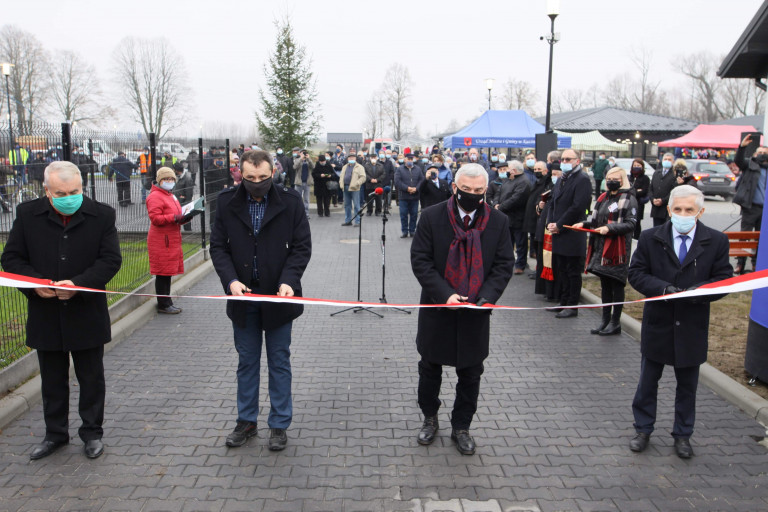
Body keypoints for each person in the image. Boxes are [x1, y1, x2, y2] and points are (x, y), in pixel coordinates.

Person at [1, 161, 121, 460]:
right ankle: (55, 434)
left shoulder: (101, 214)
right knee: (52, 379)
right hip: (45, 312)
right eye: (61, 193)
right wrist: (34, 284)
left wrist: (79, 284)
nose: (69, 197)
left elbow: (110, 260)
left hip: (86, 311)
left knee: (91, 378)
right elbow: (12, 259)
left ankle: (92, 433)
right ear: (46, 191)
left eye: (74, 191)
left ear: (82, 187)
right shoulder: (28, 215)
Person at [210, 149, 311, 451]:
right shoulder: (227, 202)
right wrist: (231, 281)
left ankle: (279, 424)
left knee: (279, 362)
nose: (256, 183)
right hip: (243, 298)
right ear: (240, 173)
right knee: (247, 362)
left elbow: (302, 247)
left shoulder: (290, 202)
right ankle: (247, 421)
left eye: (262, 178)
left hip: (279, 298)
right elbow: (218, 247)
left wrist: (289, 281)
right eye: (250, 178)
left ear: (273, 173)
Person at [410, 163, 514, 455]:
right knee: (430, 368)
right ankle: (429, 418)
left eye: (478, 191)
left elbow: (504, 264)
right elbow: (420, 260)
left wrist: (487, 298)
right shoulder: (431, 217)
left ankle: (461, 426)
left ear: (486, 190)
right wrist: (445, 294)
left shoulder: (498, 221)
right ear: (454, 188)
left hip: (475, 311)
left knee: (471, 373)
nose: (471, 195)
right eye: (466, 190)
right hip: (438, 308)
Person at [627, 185, 732, 459]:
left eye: (689, 210)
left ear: (700, 211)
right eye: (677, 209)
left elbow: (723, 279)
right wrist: (662, 289)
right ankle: (643, 429)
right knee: (648, 382)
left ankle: (683, 434)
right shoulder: (651, 238)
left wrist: (698, 293)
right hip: (658, 322)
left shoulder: (717, 241)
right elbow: (636, 273)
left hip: (692, 324)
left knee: (688, 385)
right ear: (669, 210)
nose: (683, 214)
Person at [573, 167, 637, 335]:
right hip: (601, 248)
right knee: (605, 285)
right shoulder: (603, 197)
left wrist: (609, 228)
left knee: (616, 285)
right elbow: (597, 221)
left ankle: (615, 322)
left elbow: (631, 224)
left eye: (614, 178)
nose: (610, 181)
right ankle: (605, 320)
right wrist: (584, 224)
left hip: (617, 249)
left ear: (622, 180)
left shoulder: (628, 198)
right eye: (608, 178)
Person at [546, 149, 592, 318]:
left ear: (577, 161)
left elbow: (578, 207)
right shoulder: (561, 179)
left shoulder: (582, 180)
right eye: (563, 159)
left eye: (568, 159)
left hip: (572, 232)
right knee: (562, 270)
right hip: (559, 232)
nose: (564, 161)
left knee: (572, 271)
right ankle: (563, 301)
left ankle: (572, 305)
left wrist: (560, 224)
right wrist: (550, 222)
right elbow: (553, 202)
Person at [146, 167, 186, 314]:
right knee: (162, 273)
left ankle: (166, 301)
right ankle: (163, 304)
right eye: (166, 179)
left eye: (171, 179)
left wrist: (183, 217)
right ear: (159, 180)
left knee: (167, 272)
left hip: (169, 238)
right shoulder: (155, 196)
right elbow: (155, 218)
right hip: (162, 240)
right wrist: (174, 218)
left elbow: (175, 215)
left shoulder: (169, 195)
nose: (169, 182)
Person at [732, 134, 766, 274]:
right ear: (755, 154)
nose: (762, 155)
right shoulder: (750, 164)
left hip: (765, 210)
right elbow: (738, 160)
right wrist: (742, 147)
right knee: (744, 237)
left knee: (761, 238)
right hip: (750, 207)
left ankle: (756, 265)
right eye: (760, 153)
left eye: (765, 153)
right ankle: (740, 264)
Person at [496, 160, 532, 274]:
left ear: (514, 171)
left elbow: (516, 199)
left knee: (520, 243)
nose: (506, 171)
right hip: (506, 217)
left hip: (518, 217)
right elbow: (499, 192)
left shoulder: (524, 182)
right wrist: (495, 204)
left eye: (508, 168)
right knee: (507, 242)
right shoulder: (508, 180)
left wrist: (500, 207)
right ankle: (507, 263)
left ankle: (520, 264)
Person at [395, 153, 425, 238]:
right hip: (403, 196)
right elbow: (397, 181)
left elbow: (421, 179)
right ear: (405, 159)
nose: (410, 161)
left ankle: (412, 230)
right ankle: (404, 231)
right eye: (408, 159)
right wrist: (407, 188)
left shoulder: (418, 169)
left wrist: (416, 188)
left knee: (414, 214)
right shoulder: (400, 169)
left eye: (411, 159)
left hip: (414, 196)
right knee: (403, 214)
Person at [649, 153, 677, 226]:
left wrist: (663, 200)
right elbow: (651, 188)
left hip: (667, 207)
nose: (667, 161)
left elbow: (674, 190)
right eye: (665, 159)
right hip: (656, 207)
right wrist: (652, 199)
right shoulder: (656, 172)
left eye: (669, 159)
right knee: (656, 229)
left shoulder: (674, 174)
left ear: (673, 161)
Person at [339, 151, 366, 227]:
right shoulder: (345, 167)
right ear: (348, 158)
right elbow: (341, 176)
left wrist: (357, 183)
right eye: (350, 157)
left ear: (355, 158)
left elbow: (363, 177)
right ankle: (348, 221)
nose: (351, 158)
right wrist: (341, 183)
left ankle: (357, 221)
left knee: (356, 205)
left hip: (355, 188)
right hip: (345, 187)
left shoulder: (360, 167)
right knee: (347, 205)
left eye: (353, 157)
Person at [628, 158, 651, 240]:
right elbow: (626, 189)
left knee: (637, 222)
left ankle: (637, 238)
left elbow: (644, 191)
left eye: (638, 165)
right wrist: (636, 190)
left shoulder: (645, 178)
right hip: (629, 203)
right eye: (635, 165)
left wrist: (633, 191)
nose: (636, 167)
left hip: (639, 204)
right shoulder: (629, 177)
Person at [174, 161, 195, 232]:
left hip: (184, 203)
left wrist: (187, 204)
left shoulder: (187, 178)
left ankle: (188, 234)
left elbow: (189, 193)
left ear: (177, 170)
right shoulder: (175, 177)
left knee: (186, 221)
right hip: (175, 202)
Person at [292, 150, 313, 218]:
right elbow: (294, 167)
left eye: (305, 153)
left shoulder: (308, 161)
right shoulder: (297, 160)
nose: (303, 154)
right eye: (302, 153)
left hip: (307, 182)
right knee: (298, 198)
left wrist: (308, 159)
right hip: (299, 182)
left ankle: (306, 214)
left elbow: (313, 167)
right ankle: (298, 213)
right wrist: (301, 158)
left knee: (306, 199)